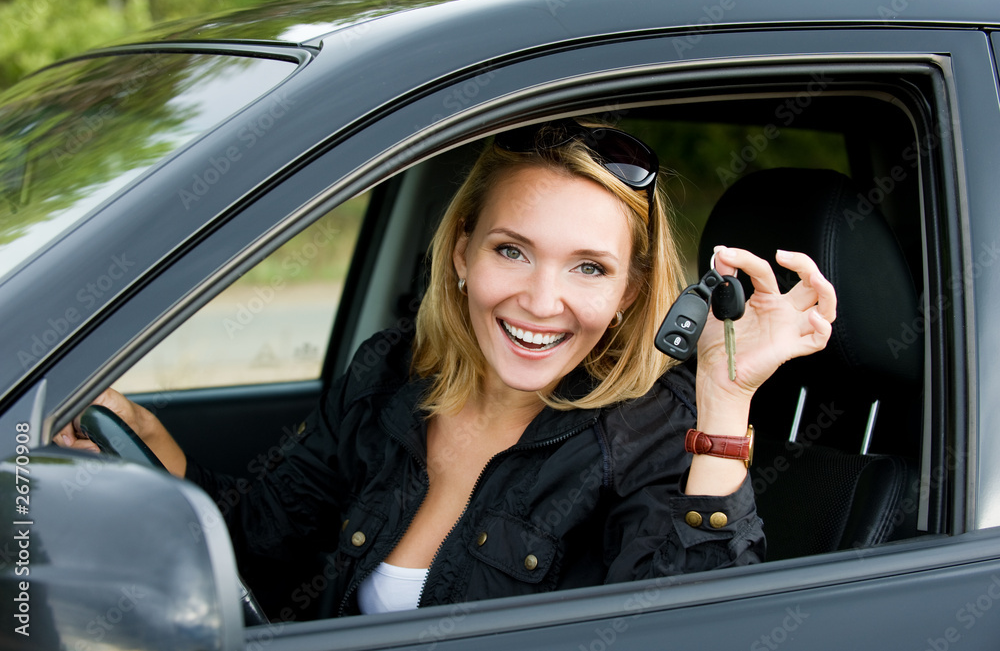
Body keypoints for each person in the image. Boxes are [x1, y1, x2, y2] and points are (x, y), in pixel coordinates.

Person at [55, 119, 837, 617]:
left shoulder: (653, 429)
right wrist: (162, 460)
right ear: (460, 253)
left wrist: (725, 400)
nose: (541, 300)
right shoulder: (391, 374)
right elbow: (261, 549)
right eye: (512, 250)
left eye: (589, 268)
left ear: (632, 290)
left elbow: (695, 628)